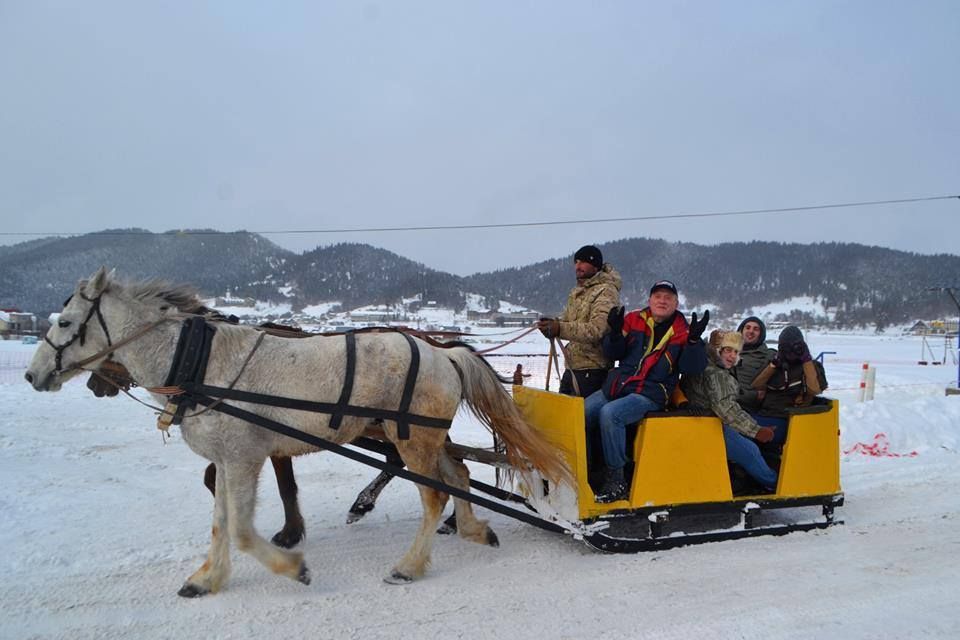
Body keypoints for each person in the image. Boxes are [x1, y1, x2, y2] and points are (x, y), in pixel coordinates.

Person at [584, 280, 709, 503]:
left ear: (676, 303)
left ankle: (617, 479)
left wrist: (693, 341)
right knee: (581, 413)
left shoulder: (683, 331)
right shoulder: (633, 320)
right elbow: (613, 352)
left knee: (611, 414)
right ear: (650, 300)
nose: (662, 301)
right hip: (618, 386)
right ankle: (585, 468)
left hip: (651, 393)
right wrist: (614, 333)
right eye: (658, 296)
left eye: (668, 298)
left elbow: (693, 367)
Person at [681, 330, 782, 493]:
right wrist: (757, 431)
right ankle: (775, 483)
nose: (732, 356)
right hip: (710, 425)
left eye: (736, 352)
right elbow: (727, 409)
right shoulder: (716, 374)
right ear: (718, 350)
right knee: (750, 452)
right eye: (728, 350)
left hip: (701, 421)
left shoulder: (706, 364)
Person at [536, 245, 622, 398]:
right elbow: (567, 321)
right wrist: (551, 325)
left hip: (593, 371)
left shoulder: (606, 291)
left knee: (582, 414)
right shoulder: (577, 292)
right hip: (572, 367)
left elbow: (597, 330)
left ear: (595, 265)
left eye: (583, 262)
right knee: (563, 412)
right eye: (576, 262)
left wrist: (559, 328)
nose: (578, 266)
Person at [751, 325, 828, 429]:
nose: (790, 352)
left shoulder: (811, 367)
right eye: (785, 347)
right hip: (765, 413)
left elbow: (814, 390)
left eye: (795, 347)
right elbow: (756, 385)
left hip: (789, 418)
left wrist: (806, 360)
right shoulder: (774, 365)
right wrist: (774, 364)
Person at [734, 316, 775, 410]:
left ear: (761, 334)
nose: (751, 331)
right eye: (747, 328)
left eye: (756, 329)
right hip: (723, 404)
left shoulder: (768, 356)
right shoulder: (728, 352)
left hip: (747, 408)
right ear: (741, 331)